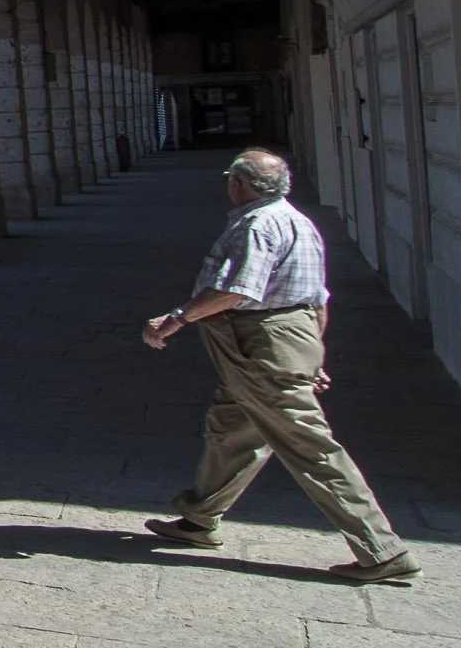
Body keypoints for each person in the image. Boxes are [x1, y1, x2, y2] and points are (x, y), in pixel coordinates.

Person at [140, 148, 418, 583]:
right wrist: (311, 353)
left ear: (238, 184)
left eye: (230, 178)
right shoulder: (297, 221)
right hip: (285, 338)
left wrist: (176, 319)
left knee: (307, 444)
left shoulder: (257, 225)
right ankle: (199, 519)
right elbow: (318, 300)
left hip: (258, 345)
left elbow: (234, 290)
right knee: (231, 430)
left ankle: (381, 548)